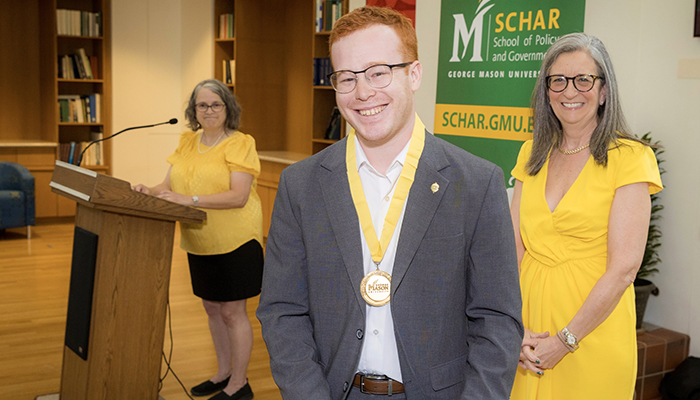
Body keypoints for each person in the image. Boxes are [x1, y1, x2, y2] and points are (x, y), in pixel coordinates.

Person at [256, 6, 523, 400]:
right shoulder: (301, 185)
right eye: (346, 78)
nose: (363, 92)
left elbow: (497, 321)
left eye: (378, 72)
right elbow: (282, 311)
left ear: (414, 74)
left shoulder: (477, 183)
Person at [509, 33, 663, 400]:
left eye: (584, 80)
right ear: (546, 91)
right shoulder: (531, 153)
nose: (569, 91)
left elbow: (624, 268)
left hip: (591, 331)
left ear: (604, 90)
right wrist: (511, 327)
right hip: (528, 333)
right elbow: (510, 249)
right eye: (558, 80)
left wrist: (566, 340)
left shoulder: (630, 157)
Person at [132, 79, 261, 400]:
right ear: (193, 111)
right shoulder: (188, 141)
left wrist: (188, 199)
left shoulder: (240, 142)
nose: (209, 110)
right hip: (200, 238)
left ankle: (240, 385)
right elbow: (167, 186)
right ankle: (223, 372)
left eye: (216, 104)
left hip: (236, 240)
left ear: (228, 108)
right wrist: (146, 192)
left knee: (232, 312)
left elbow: (239, 196)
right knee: (212, 308)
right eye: (202, 105)